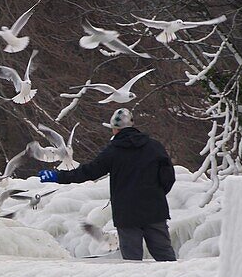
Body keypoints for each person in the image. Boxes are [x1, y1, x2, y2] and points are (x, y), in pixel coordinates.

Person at [38, 108, 176, 261]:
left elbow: (89, 172)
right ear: (133, 125)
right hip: (154, 209)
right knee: (165, 256)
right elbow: (168, 177)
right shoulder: (154, 146)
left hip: (126, 213)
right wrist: (157, 194)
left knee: (132, 260)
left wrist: (58, 176)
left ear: (115, 129)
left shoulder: (114, 151)